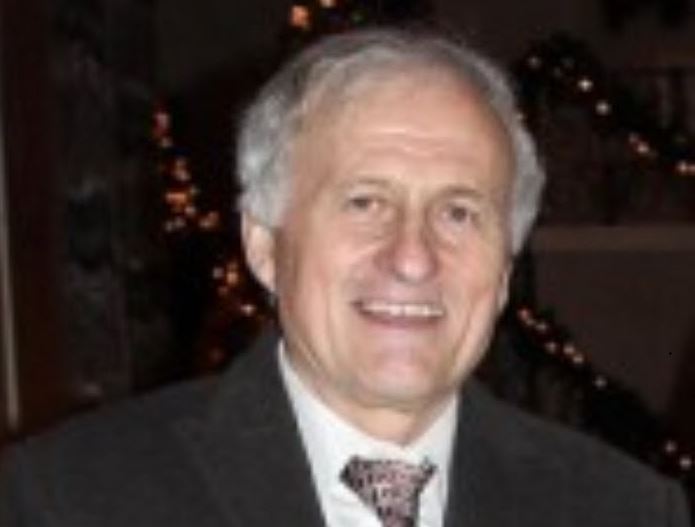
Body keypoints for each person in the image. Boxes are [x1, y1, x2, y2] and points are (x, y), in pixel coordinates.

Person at [0, 27, 690, 527]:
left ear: (504, 268)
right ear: (264, 245)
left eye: (457, 212)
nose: (413, 258)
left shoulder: (622, 510)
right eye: (365, 203)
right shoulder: (73, 498)